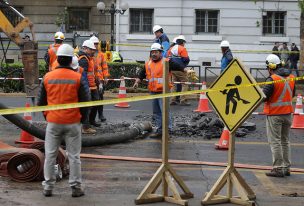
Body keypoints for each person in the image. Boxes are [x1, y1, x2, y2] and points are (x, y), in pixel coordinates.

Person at [37, 44, 90, 197]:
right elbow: (87, 101)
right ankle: (75, 188)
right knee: (74, 156)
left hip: (53, 122)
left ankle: (48, 187)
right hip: (73, 122)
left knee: (50, 155)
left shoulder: (48, 77)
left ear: (58, 59)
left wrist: (47, 115)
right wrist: (81, 118)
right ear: (70, 60)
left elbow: (40, 102)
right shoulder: (78, 77)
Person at [263, 54, 295, 177]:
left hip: (275, 115)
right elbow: (292, 94)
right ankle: (286, 167)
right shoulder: (291, 77)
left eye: (267, 68)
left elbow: (264, 97)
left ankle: (278, 168)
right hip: (288, 114)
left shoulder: (272, 79)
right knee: (285, 141)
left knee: (275, 141)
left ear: (270, 67)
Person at [133, 43, 172, 138]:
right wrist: (137, 81)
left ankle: (167, 131)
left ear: (161, 53)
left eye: (156, 52)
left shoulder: (166, 61)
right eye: (152, 52)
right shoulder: (148, 63)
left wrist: (186, 70)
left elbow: (178, 66)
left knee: (165, 111)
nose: (154, 54)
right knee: (157, 112)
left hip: (163, 91)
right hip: (153, 91)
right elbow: (142, 73)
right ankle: (159, 131)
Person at [78, 40, 100, 133]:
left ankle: (90, 122)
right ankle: (85, 127)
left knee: (95, 103)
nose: (93, 51)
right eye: (91, 49)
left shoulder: (89, 58)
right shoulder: (83, 59)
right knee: (87, 106)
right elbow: (83, 75)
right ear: (86, 48)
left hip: (92, 86)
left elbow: (92, 72)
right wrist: (85, 88)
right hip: (88, 87)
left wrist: (97, 81)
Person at [167, 35, 191, 106]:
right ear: (183, 42)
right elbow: (186, 59)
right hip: (180, 69)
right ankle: (183, 100)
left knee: (174, 84)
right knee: (185, 83)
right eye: (184, 42)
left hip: (172, 69)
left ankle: (172, 100)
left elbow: (168, 58)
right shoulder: (182, 49)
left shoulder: (171, 48)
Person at [90, 36, 108, 122]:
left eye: (97, 44)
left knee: (100, 98)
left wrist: (106, 77)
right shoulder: (89, 55)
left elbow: (104, 66)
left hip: (100, 80)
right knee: (92, 98)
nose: (96, 45)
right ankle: (91, 118)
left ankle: (100, 115)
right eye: (94, 44)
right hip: (92, 80)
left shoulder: (101, 55)